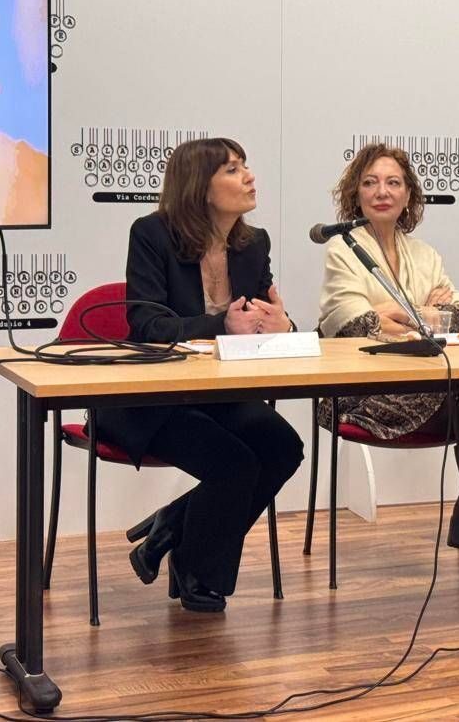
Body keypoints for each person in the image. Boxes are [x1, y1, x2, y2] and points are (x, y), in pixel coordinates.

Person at [317, 143, 459, 609]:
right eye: (370, 183)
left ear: (409, 195)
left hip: (428, 382)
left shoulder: (423, 253)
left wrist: (396, 313)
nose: (382, 192)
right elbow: (350, 322)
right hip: (365, 392)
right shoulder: (343, 248)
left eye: (393, 182)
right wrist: (419, 312)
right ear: (355, 194)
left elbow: (458, 312)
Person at [95, 137, 304, 611]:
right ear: (200, 187)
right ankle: (196, 570)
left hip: (216, 393)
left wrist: (283, 326)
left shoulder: (253, 245)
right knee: (234, 465)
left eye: (245, 165)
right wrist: (220, 326)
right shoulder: (151, 234)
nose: (249, 176)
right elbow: (147, 325)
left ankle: (173, 526)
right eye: (232, 169)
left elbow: (260, 322)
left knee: (282, 447)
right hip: (148, 399)